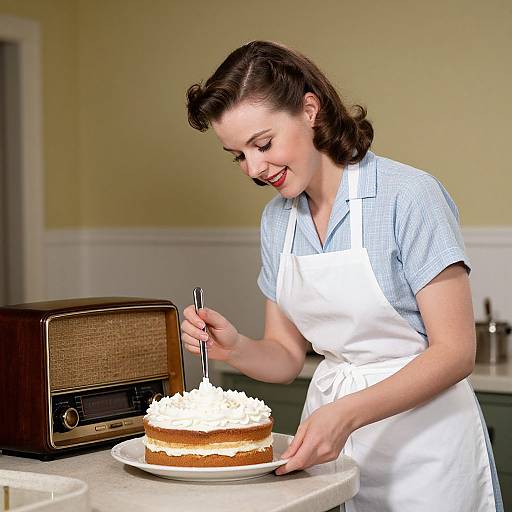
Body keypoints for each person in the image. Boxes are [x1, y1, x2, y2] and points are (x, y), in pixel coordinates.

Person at [181, 40, 502, 512]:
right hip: (331, 448)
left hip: (427, 451)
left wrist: (346, 415)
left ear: (309, 109)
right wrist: (236, 347)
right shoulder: (278, 221)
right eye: (238, 155)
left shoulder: (408, 196)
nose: (253, 168)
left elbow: (455, 352)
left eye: (263, 144)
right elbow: (288, 356)